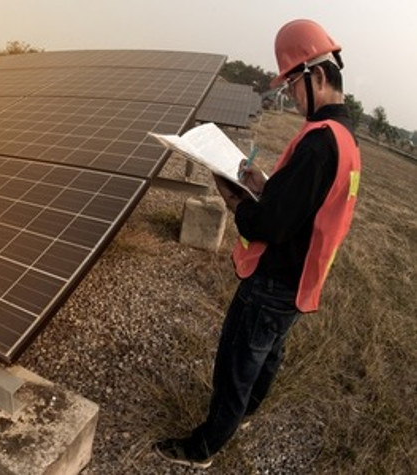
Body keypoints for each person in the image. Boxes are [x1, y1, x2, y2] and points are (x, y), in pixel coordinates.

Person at [154, 19, 362, 469]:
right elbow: (305, 204)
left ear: (318, 76)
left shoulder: (319, 144)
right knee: (268, 355)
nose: (291, 96)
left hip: (273, 280)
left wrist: (233, 196)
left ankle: (203, 447)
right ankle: (246, 413)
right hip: (299, 277)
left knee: (237, 364)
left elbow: (270, 224)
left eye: (293, 86)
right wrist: (263, 181)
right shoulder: (345, 140)